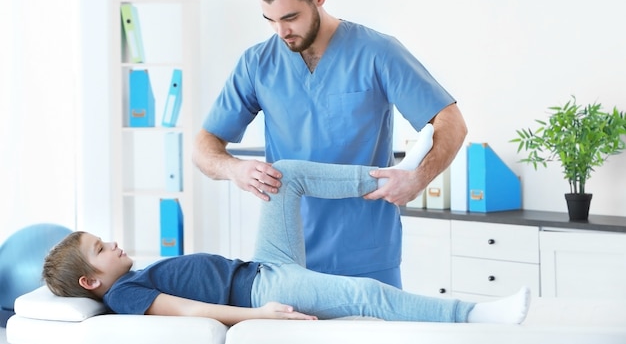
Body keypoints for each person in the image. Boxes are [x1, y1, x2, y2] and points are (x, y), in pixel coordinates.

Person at [193, 0, 468, 288]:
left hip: (367, 254)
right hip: (287, 261)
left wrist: (418, 179)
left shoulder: (377, 52)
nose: (282, 32)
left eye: (291, 17)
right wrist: (234, 169)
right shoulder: (257, 64)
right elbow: (204, 146)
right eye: (271, 20)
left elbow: (450, 120)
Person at [42, 141, 529, 326]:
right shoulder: (125, 294)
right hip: (266, 288)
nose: (113, 244)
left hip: (261, 264)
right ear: (91, 281)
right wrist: (259, 315)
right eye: (101, 249)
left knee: (284, 174)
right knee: (369, 295)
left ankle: (388, 176)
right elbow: (191, 311)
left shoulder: (131, 278)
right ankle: (475, 315)